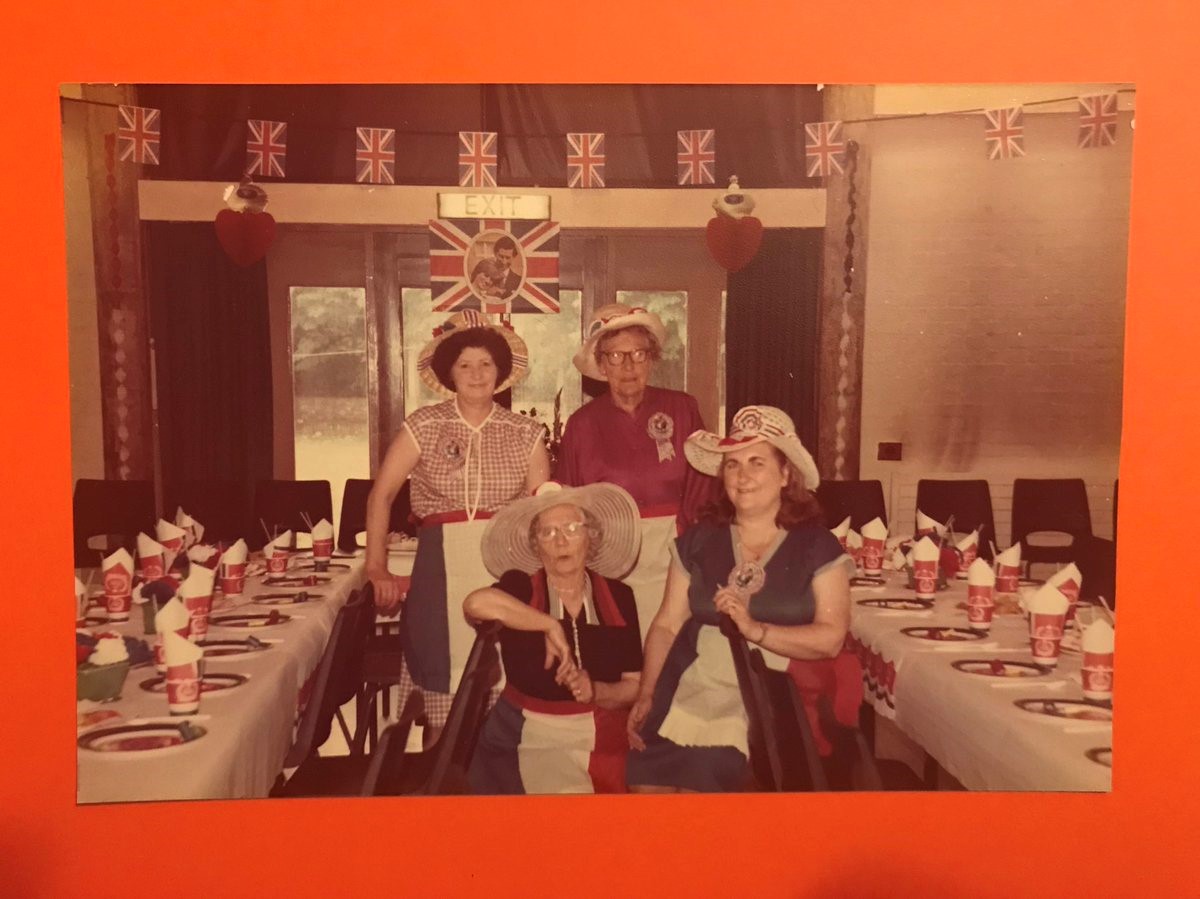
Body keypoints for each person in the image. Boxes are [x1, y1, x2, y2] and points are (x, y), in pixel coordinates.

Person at [625, 405, 853, 793]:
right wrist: (646, 693)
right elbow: (666, 624)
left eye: (756, 463)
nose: (742, 476)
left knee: (702, 787)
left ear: (785, 474)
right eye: (732, 464)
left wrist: (756, 629)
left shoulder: (817, 545)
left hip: (772, 697)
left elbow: (831, 638)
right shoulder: (699, 539)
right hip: (690, 685)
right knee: (647, 787)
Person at [365, 310, 550, 744]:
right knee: (442, 696)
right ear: (449, 372)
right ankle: (439, 776)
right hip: (440, 571)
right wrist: (376, 566)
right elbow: (381, 496)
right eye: (465, 364)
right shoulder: (423, 425)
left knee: (506, 696)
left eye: (486, 363)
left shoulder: (526, 432)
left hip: (507, 570)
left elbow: (542, 512)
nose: (476, 374)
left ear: (501, 371)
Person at [464, 481, 643, 794]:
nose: (561, 541)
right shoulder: (520, 588)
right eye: (547, 532)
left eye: (571, 528)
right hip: (527, 735)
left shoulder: (619, 596)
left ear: (591, 535)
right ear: (536, 545)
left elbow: (634, 685)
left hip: (599, 730)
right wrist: (548, 625)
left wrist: (596, 690)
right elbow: (474, 604)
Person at [555, 303, 718, 640]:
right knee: (625, 652)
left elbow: (704, 487)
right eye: (616, 356)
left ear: (652, 359)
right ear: (601, 364)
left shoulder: (682, 407)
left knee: (675, 647)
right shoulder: (582, 424)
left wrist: (692, 552)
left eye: (638, 354)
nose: (628, 366)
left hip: (676, 555)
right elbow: (567, 503)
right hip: (611, 561)